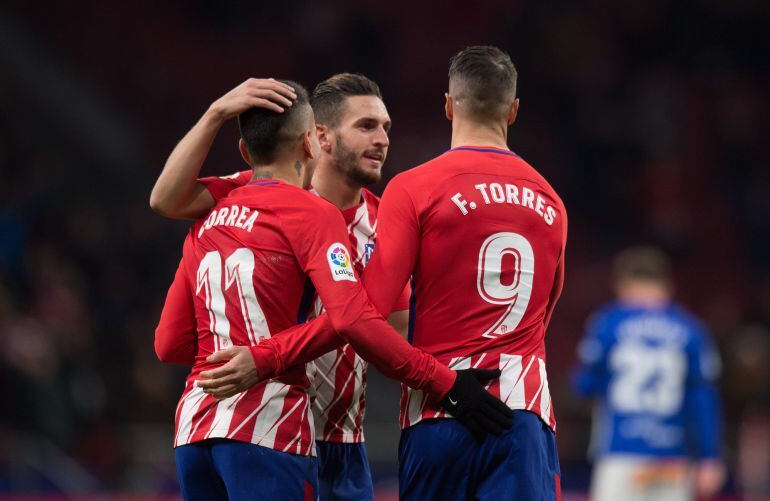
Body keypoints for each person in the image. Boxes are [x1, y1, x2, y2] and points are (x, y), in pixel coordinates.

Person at [203, 45, 568, 500]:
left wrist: (266, 356)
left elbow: (363, 313)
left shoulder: (413, 188)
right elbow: (547, 307)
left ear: (449, 105)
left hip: (427, 413)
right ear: (513, 111)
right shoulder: (552, 201)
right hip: (520, 407)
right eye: (368, 126)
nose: (382, 139)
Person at [154, 79, 513, 501]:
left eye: (386, 128)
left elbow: (389, 332)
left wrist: (450, 386)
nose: (381, 140)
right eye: (366, 126)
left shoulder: (387, 223)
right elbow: (165, 199)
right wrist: (216, 112)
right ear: (317, 138)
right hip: (276, 422)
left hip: (338, 438)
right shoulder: (249, 190)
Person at [572, 246, 725, 501]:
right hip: (673, 455)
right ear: (667, 284)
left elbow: (584, 384)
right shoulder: (691, 329)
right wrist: (709, 456)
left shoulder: (608, 322)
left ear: (622, 284)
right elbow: (702, 400)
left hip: (620, 451)